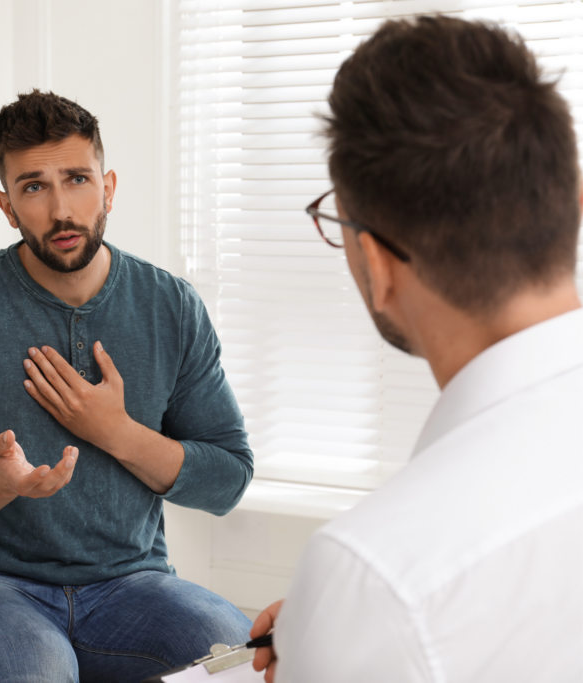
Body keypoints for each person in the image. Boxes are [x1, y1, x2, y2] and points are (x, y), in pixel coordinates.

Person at [248, 16, 583, 683]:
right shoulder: (374, 590)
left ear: (378, 264)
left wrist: (347, 629)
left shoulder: (377, 573)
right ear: (572, 203)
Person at [0, 90, 255, 683]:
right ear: (7, 206)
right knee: (38, 668)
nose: (62, 209)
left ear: (108, 187)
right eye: (33, 187)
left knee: (243, 659)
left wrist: (116, 431)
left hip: (131, 586)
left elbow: (227, 481)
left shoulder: (170, 305)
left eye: (77, 179)